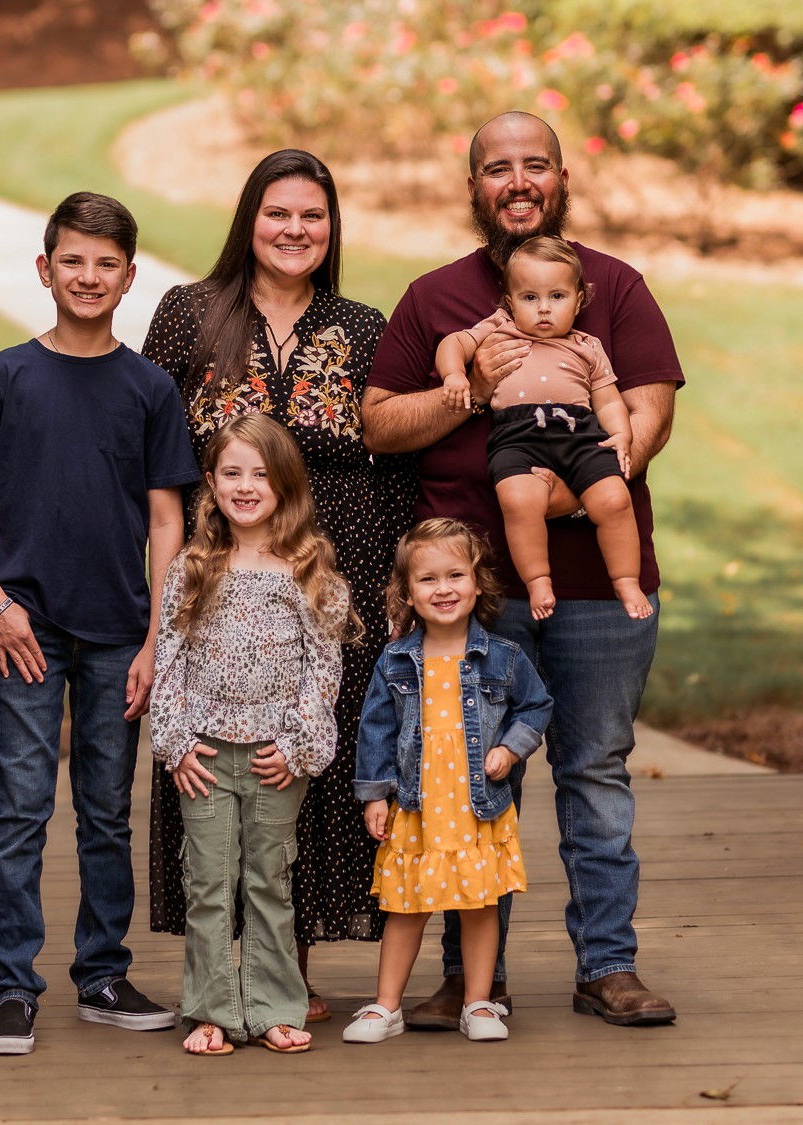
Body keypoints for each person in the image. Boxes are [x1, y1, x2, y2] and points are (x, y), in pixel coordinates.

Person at [362, 111, 685, 1030]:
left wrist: (564, 498)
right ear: (472, 187)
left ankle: (608, 965)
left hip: (594, 581)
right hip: (467, 599)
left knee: (594, 766)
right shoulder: (434, 299)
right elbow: (379, 422)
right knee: (460, 773)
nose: (516, 180)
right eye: (496, 167)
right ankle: (479, 979)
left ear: (561, 178)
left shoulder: (611, 288)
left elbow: (650, 415)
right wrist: (460, 388)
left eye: (533, 165)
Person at [140, 148, 416, 1021]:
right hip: (217, 568)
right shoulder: (189, 314)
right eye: (277, 214)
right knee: (217, 764)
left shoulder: (364, 325)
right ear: (247, 220)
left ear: (332, 228)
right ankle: (218, 978)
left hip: (340, 561)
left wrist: (402, 575)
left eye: (313, 216)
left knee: (309, 746)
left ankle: (282, 972)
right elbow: (151, 459)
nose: (295, 231)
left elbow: (398, 458)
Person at [0, 192, 198, 1056]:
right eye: (73, 260)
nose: (88, 276)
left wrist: (159, 637)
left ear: (129, 277)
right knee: (19, 807)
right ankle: (12, 985)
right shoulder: (6, 376)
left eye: (107, 263)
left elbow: (167, 519)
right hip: (26, 628)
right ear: (45, 268)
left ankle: (103, 974)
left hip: (120, 629)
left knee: (105, 811)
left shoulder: (149, 387)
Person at [149, 415, 357, 1055]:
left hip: (276, 758)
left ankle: (273, 1008)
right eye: (231, 473)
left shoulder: (309, 570)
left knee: (269, 881)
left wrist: (300, 748)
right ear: (210, 483)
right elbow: (168, 663)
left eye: (260, 475)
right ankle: (210, 1011)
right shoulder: (192, 567)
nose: (245, 487)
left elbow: (324, 670)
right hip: (205, 756)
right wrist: (175, 743)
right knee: (208, 883)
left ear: (285, 485)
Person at [343, 519, 551, 1045]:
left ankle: (478, 1003)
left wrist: (509, 748)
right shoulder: (395, 660)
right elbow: (376, 728)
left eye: (455, 575)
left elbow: (537, 705)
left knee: (480, 905)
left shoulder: (503, 656)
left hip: (477, 803)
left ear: (477, 583)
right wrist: (375, 795)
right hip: (416, 804)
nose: (443, 589)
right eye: (428, 579)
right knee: (406, 904)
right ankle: (386, 1006)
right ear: (406, 594)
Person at [435, 234, 650, 622]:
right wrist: (454, 375)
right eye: (530, 298)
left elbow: (608, 399)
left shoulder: (587, 345)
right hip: (517, 436)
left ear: (579, 300)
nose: (544, 309)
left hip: (580, 434)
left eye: (557, 296)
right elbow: (454, 342)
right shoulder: (499, 328)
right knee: (520, 501)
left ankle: (625, 579)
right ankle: (538, 580)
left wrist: (620, 434)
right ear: (509, 302)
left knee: (615, 499)